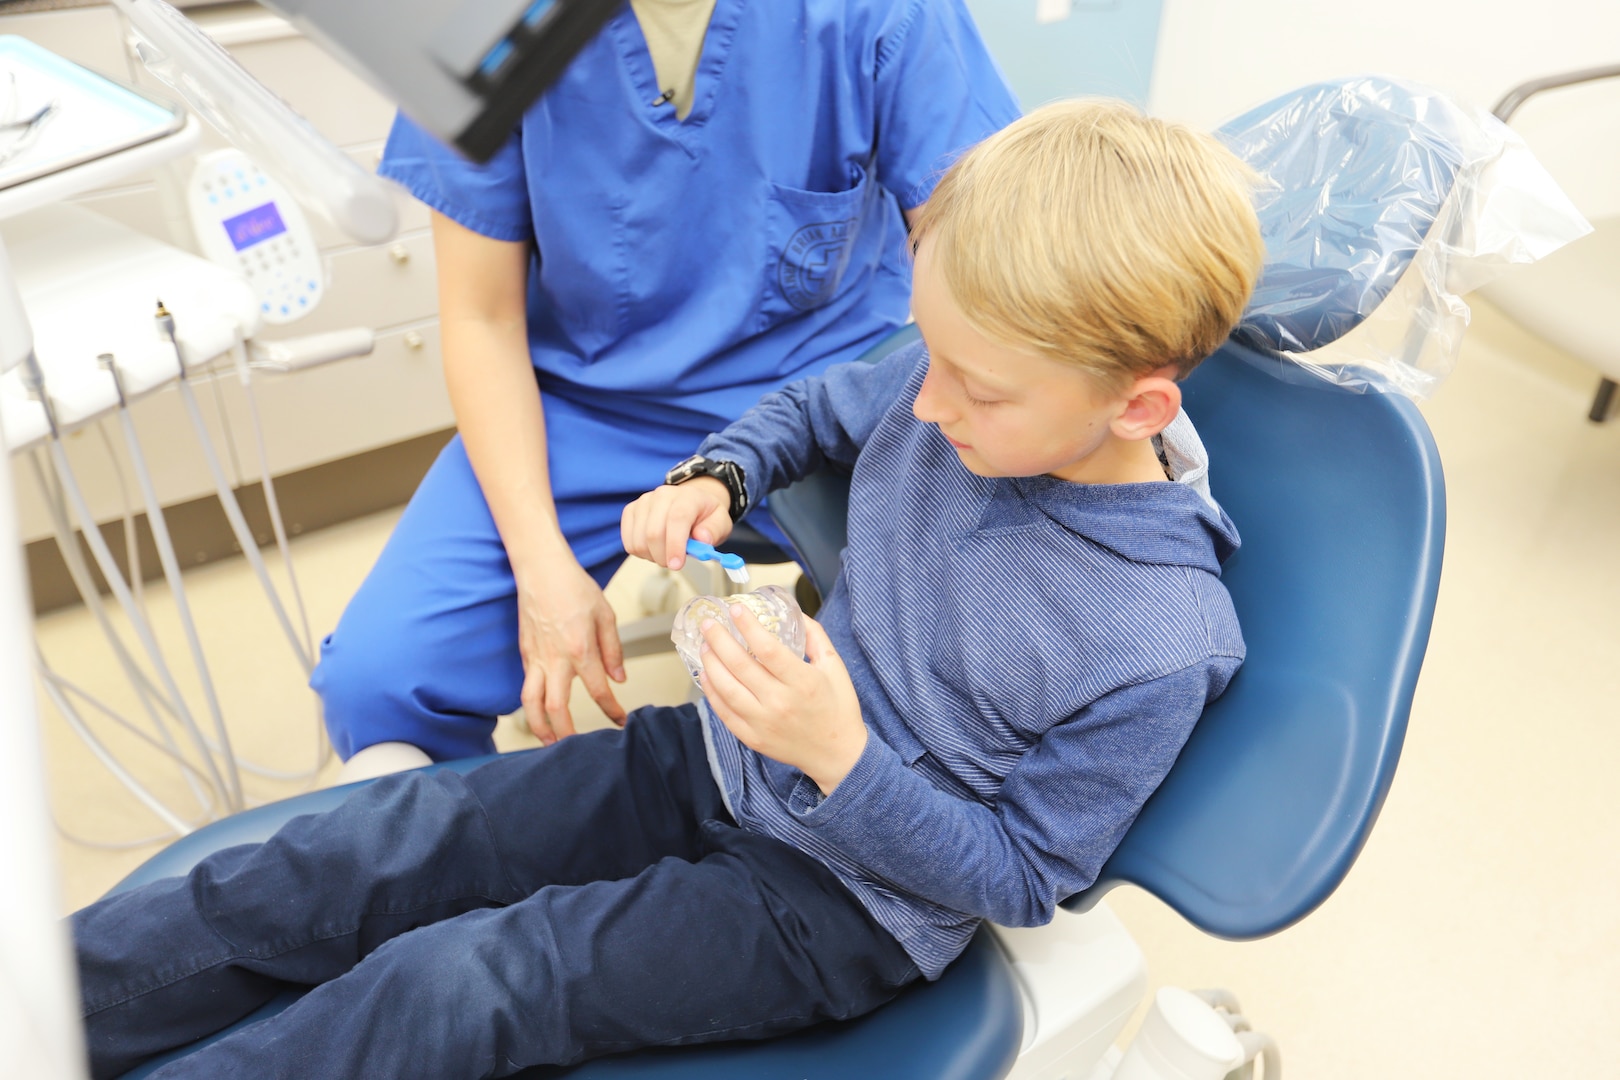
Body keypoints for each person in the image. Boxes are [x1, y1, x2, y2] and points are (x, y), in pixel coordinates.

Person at [72, 100, 1266, 1079]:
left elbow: (1018, 878)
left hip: (839, 906)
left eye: (977, 387)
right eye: (931, 354)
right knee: (374, 849)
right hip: (715, 759)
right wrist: (720, 475)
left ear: (1140, 407)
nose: (928, 402)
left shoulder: (1159, 638)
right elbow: (817, 404)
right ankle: (48, 1011)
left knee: (465, 980)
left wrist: (844, 758)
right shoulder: (951, 389)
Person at [312, 0, 1021, 779]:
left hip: (825, 383)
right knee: (378, 682)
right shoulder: (482, 27)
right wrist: (544, 569)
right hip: (590, 403)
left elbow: (985, 259)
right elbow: (481, 320)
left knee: (961, 660)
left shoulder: (875, 14)